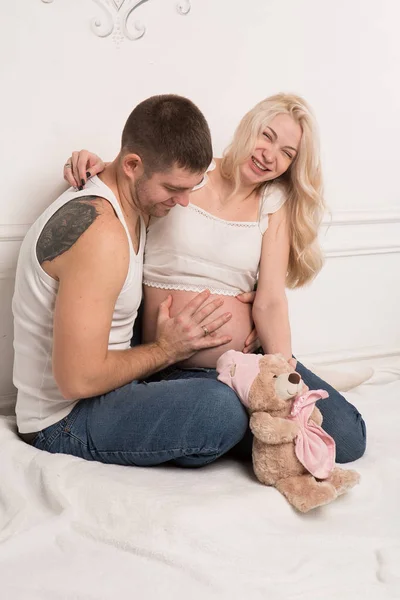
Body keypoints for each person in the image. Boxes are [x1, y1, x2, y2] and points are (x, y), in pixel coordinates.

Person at [63, 93, 366, 464]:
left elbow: (270, 298)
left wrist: (283, 374)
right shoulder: (187, 176)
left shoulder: (274, 202)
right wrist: (89, 161)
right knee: (219, 418)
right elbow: (134, 175)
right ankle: (252, 425)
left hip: (249, 360)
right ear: (247, 127)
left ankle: (266, 417)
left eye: (287, 153)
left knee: (349, 440)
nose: (270, 155)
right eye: (267, 136)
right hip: (171, 366)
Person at [13, 95, 250, 467]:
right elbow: (77, 380)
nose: (185, 201)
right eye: (174, 189)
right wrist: (167, 351)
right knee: (220, 411)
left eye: (192, 186)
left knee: (327, 426)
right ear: (132, 166)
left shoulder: (131, 197)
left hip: (117, 387)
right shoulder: (100, 233)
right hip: (63, 420)